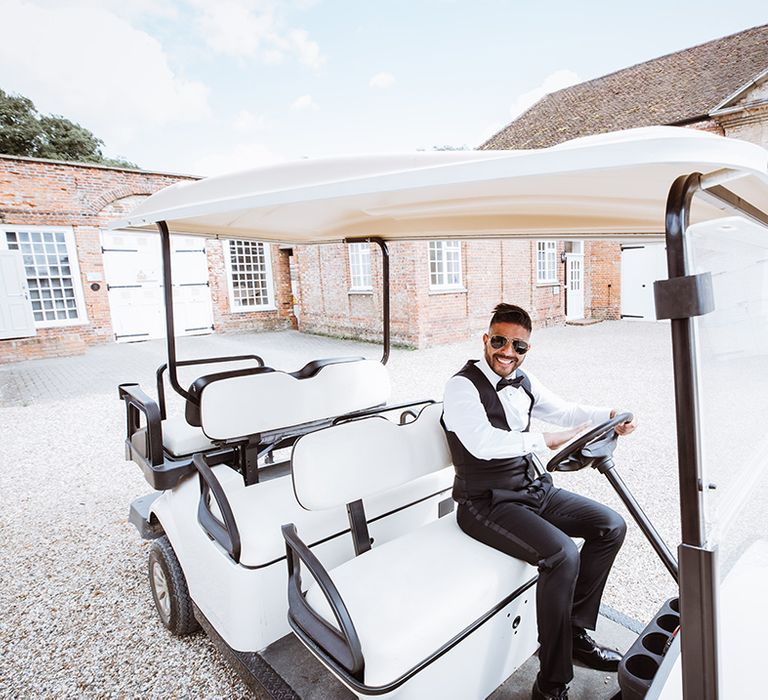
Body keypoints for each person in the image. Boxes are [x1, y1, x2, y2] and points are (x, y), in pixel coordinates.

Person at [442, 303, 636, 700]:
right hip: (485, 502)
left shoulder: (523, 379)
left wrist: (610, 414)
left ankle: (574, 632)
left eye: (518, 346)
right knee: (562, 555)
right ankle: (550, 684)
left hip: (533, 489)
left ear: (527, 349)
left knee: (610, 526)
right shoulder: (461, 386)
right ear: (486, 339)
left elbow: (564, 410)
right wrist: (542, 440)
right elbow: (481, 443)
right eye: (499, 341)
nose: (507, 352)